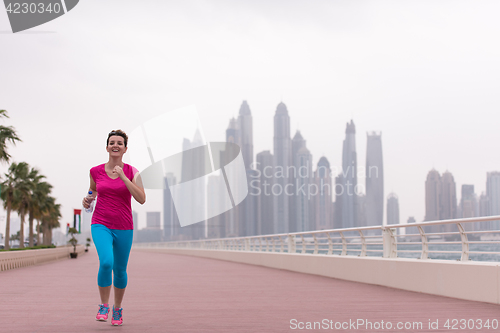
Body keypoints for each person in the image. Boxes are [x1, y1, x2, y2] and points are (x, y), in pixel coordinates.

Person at [82, 129, 146, 326]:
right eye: (112, 142)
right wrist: (87, 201)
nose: (115, 145)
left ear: (125, 149)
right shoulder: (95, 171)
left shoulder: (133, 172)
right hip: (100, 223)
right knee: (106, 262)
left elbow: (142, 199)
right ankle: (103, 305)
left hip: (124, 226)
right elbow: (92, 192)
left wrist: (124, 178)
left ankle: (117, 309)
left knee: (119, 270)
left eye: (119, 143)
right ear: (107, 147)